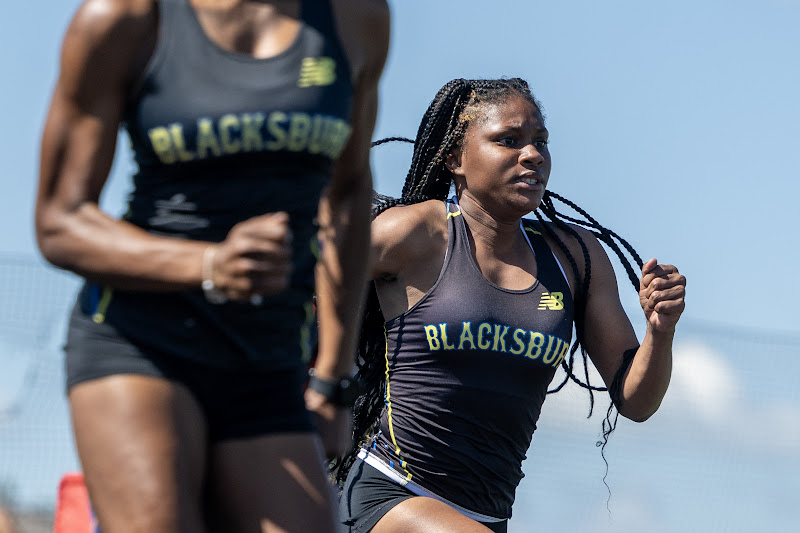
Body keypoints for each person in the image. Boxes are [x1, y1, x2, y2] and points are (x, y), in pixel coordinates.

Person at [35, 0, 389, 531]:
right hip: (140, 343)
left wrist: (334, 379)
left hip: (266, 359)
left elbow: (349, 189)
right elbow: (59, 222)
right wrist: (207, 263)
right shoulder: (122, 19)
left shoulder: (357, 18)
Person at [336, 78, 687, 533]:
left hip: (489, 516)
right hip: (391, 493)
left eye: (540, 142)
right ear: (454, 159)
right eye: (508, 140)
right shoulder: (417, 234)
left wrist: (661, 330)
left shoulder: (575, 258)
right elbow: (313, 281)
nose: (533, 155)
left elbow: (635, 400)